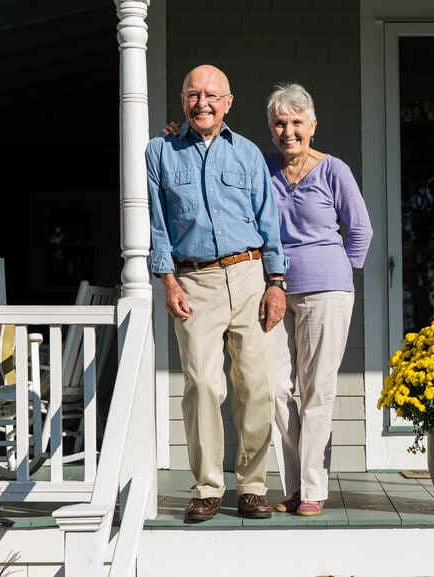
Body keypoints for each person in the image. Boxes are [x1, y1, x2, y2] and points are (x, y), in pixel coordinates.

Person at [146, 64, 288, 523]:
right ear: (182, 100)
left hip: (248, 278)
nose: (202, 102)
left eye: (212, 95)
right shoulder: (160, 151)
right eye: (193, 94)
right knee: (203, 384)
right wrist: (167, 280)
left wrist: (275, 283)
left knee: (256, 385)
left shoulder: (247, 154)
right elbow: (156, 224)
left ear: (228, 102)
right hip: (193, 281)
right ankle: (207, 486)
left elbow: (269, 224)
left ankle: (252, 487)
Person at [265, 83, 372, 516]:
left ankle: (312, 489)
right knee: (273, 389)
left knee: (316, 391)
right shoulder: (265, 170)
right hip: (272, 292)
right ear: (271, 128)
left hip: (326, 291)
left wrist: (336, 271)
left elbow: (360, 232)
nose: (288, 131)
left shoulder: (334, 171)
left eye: (295, 122)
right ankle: (291, 486)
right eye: (279, 123)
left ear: (312, 125)